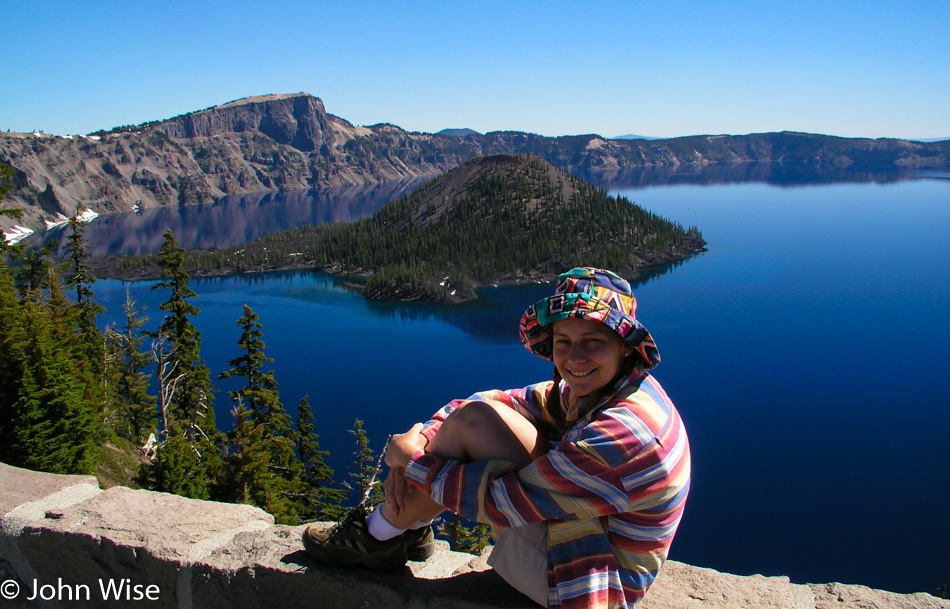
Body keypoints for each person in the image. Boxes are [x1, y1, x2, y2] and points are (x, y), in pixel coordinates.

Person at [303, 267, 690, 609]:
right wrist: (425, 437)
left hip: (591, 583)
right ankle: (408, 527)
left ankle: (379, 537)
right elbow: (498, 400)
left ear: (624, 346)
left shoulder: (621, 435)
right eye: (563, 342)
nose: (575, 357)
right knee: (479, 418)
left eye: (593, 341)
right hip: (590, 535)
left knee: (474, 424)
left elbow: (503, 504)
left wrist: (413, 463)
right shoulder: (608, 388)